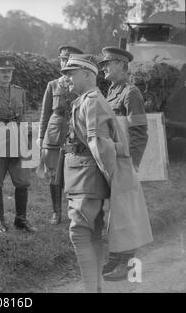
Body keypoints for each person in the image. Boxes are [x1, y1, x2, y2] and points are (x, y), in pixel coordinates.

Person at [60, 54, 152, 292]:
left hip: (88, 175)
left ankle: (92, 287)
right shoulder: (94, 97)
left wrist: (118, 178)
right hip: (85, 173)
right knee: (92, 233)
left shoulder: (94, 99)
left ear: (87, 76)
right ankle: (96, 286)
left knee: (79, 232)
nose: (67, 77)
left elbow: (100, 144)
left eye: (72, 73)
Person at [98, 46, 149, 281]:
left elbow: (139, 132)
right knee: (115, 211)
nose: (104, 67)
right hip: (112, 160)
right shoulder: (111, 91)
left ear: (122, 65)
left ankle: (128, 263)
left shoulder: (131, 93)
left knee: (125, 211)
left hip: (125, 161)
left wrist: (133, 164)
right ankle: (117, 257)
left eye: (108, 63)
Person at [0, 56, 35, 233]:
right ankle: (0, 221)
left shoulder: (19, 92)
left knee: (22, 181)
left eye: (9, 71)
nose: (6, 74)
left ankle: (21, 220)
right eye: (2, 71)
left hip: (16, 140)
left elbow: (22, 116)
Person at [37, 45, 83, 225]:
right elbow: (45, 113)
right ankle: (56, 212)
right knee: (53, 173)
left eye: (69, 60)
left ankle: (75, 211)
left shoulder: (82, 84)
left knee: (76, 172)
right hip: (54, 133)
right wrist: (41, 137)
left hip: (75, 132)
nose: (65, 63)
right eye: (63, 59)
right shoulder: (53, 85)